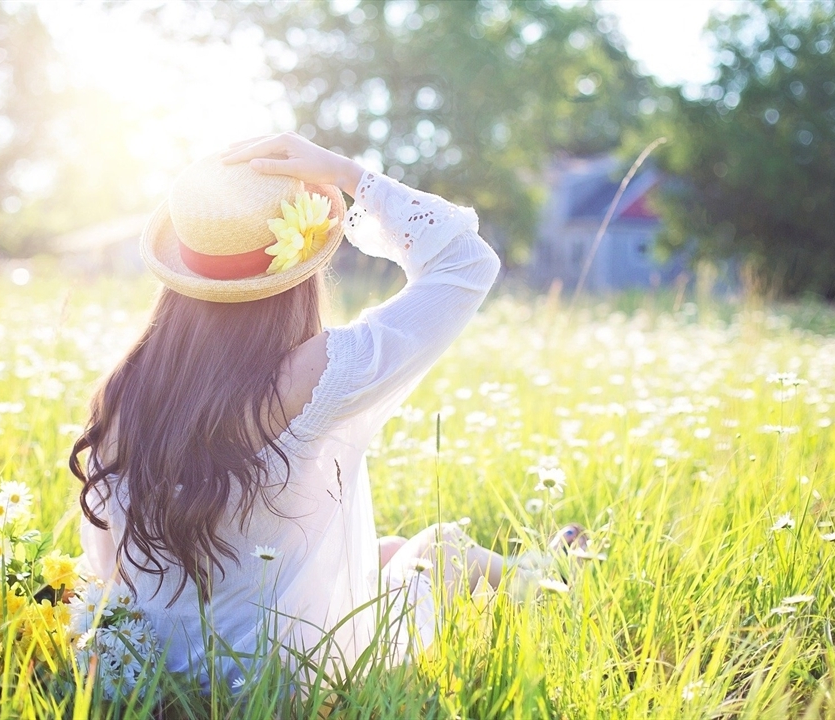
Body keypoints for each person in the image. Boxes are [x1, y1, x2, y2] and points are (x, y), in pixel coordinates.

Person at [70, 133, 574, 691]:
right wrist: (350, 175)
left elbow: (108, 562)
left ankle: (542, 571)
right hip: (288, 679)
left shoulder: (124, 388)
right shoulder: (316, 373)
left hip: (156, 669)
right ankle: (550, 580)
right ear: (299, 269)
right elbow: (466, 262)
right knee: (440, 548)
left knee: (382, 553)